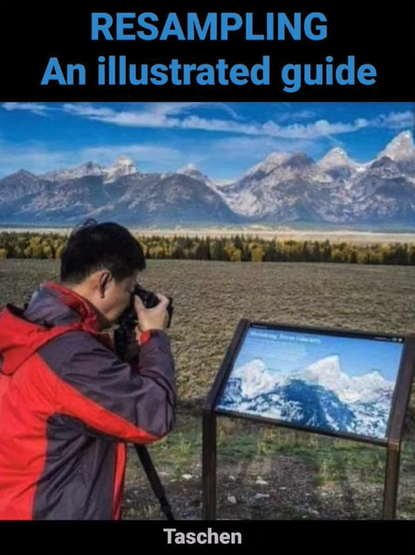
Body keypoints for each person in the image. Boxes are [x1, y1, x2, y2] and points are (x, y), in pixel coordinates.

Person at [0, 220, 176, 520]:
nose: (130, 301)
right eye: (130, 288)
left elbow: (89, 402)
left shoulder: (30, 327)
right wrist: (155, 339)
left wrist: (129, 353)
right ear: (104, 282)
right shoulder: (70, 355)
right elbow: (154, 416)